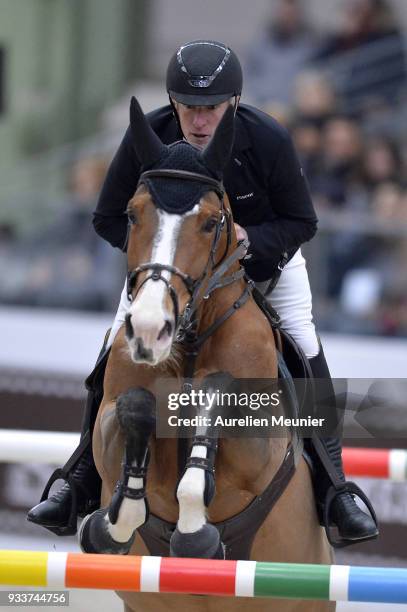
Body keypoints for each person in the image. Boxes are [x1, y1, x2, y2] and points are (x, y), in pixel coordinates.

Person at [27, 39, 378, 545]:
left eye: (210, 107)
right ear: (173, 103)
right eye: (188, 107)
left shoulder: (267, 138)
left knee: (303, 342)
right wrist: (165, 260)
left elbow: (303, 220)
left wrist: (249, 242)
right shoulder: (149, 137)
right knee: (113, 348)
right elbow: (107, 217)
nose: (197, 120)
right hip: (172, 275)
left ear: (232, 102)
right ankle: (80, 477)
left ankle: (335, 487)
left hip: (263, 265)